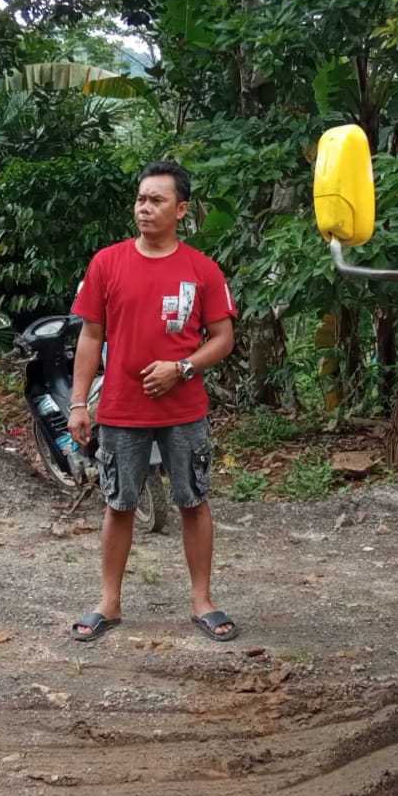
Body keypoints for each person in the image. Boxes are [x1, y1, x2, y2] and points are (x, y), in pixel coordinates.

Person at [66, 161, 239, 643]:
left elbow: (222, 337)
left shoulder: (201, 270)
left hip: (184, 409)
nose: (145, 207)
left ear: (181, 209)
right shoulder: (107, 263)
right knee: (118, 503)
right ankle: (109, 602)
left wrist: (182, 368)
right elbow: (90, 336)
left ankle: (202, 601)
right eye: (141, 199)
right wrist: (80, 403)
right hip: (121, 408)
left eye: (157, 200)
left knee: (193, 499)